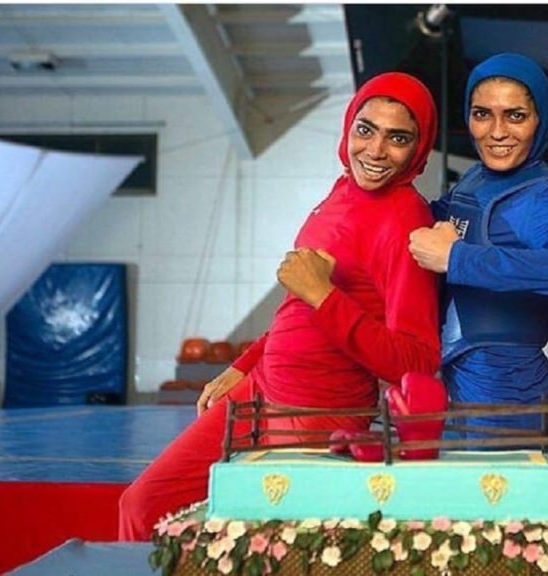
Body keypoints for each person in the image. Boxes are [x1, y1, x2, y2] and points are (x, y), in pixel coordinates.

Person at [118, 72, 442, 541]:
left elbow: (418, 361)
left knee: (273, 548)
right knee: (144, 503)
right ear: (348, 127)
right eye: (365, 129)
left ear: (418, 148)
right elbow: (298, 305)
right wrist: (245, 363)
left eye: (398, 138)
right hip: (259, 389)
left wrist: (323, 296)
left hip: (320, 415)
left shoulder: (406, 219)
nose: (375, 151)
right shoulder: (339, 191)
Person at [407, 53, 548, 436]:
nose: (496, 132)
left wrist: (460, 259)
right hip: (448, 383)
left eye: (515, 116)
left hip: (505, 393)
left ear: (540, 118)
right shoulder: (478, 177)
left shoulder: (544, 196)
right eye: (482, 114)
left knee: (494, 496)